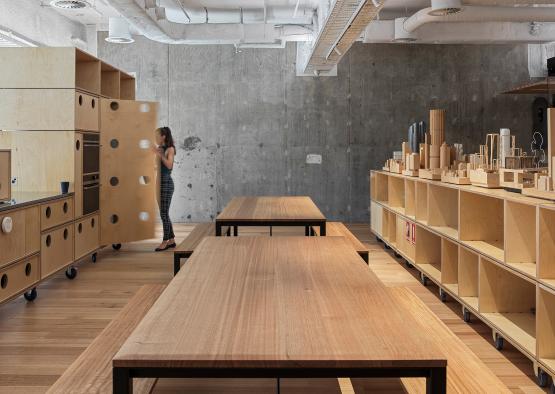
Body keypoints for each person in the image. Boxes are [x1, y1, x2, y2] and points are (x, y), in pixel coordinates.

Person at [152, 126, 176, 251]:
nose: (155, 138)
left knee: (163, 214)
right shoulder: (160, 149)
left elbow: (169, 165)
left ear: (163, 136)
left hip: (166, 183)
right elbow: (158, 167)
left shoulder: (170, 149)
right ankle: (171, 240)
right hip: (158, 182)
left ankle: (165, 241)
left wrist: (159, 155)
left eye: (157, 136)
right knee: (164, 213)